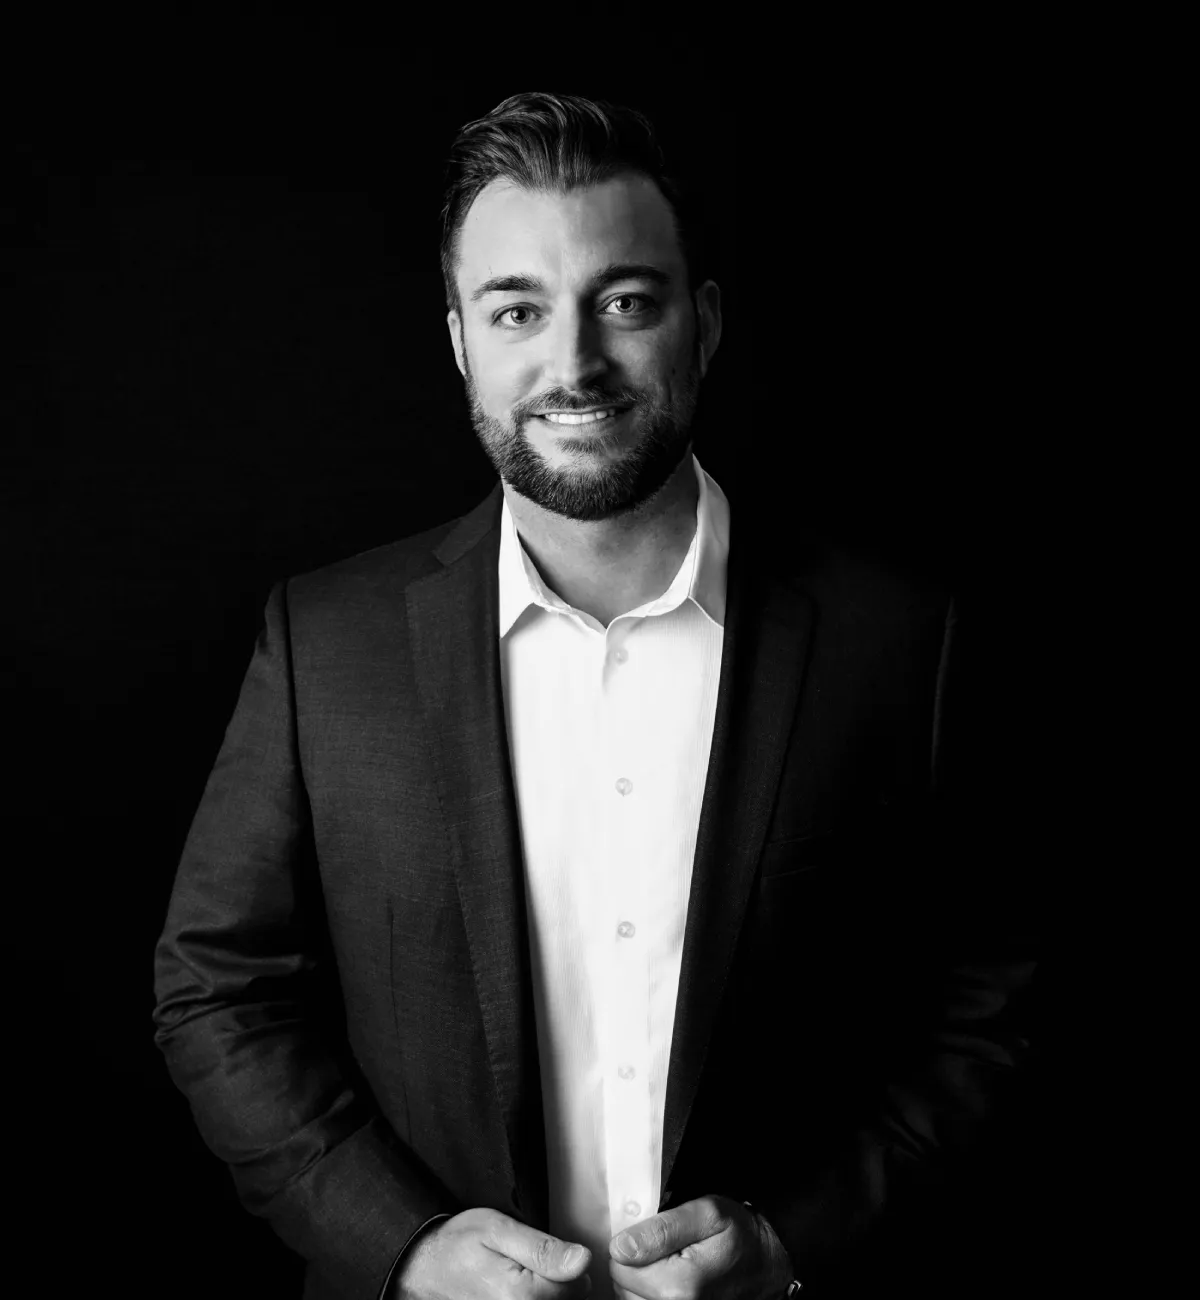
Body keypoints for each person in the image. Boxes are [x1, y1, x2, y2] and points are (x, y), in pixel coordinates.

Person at [153, 91, 1037, 1299]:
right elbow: (217, 990)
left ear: (703, 324)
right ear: (461, 340)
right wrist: (399, 1246)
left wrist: (798, 1242)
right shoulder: (325, 643)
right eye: (517, 310)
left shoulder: (898, 643)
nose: (572, 364)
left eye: (624, 301)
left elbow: (989, 1003)